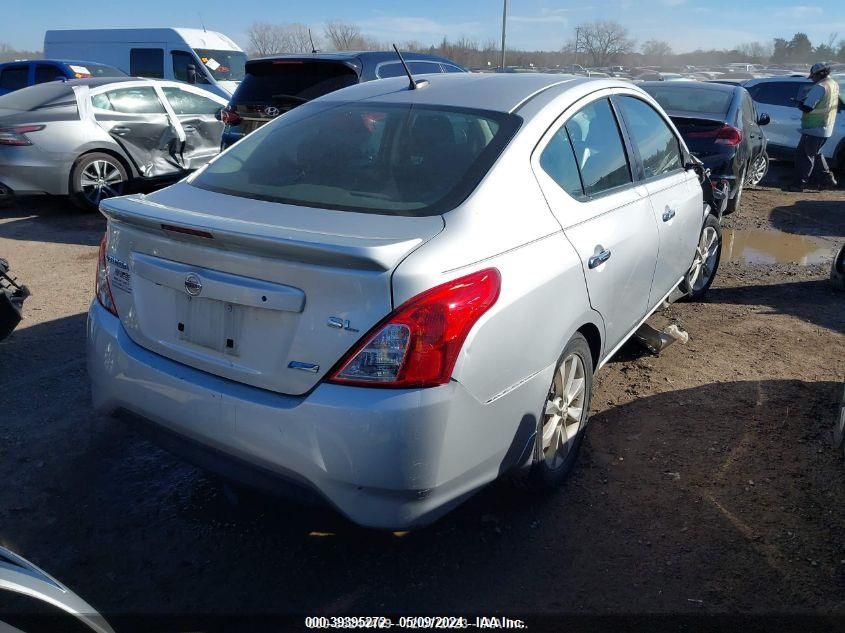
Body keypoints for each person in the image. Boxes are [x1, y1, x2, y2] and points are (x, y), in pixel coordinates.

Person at [787, 62, 841, 192]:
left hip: (814, 128)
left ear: (819, 74)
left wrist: (798, 104)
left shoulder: (820, 87)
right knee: (815, 154)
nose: (812, 79)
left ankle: (799, 184)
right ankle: (827, 180)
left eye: (813, 76)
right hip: (825, 127)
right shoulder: (833, 84)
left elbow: (808, 107)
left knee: (804, 156)